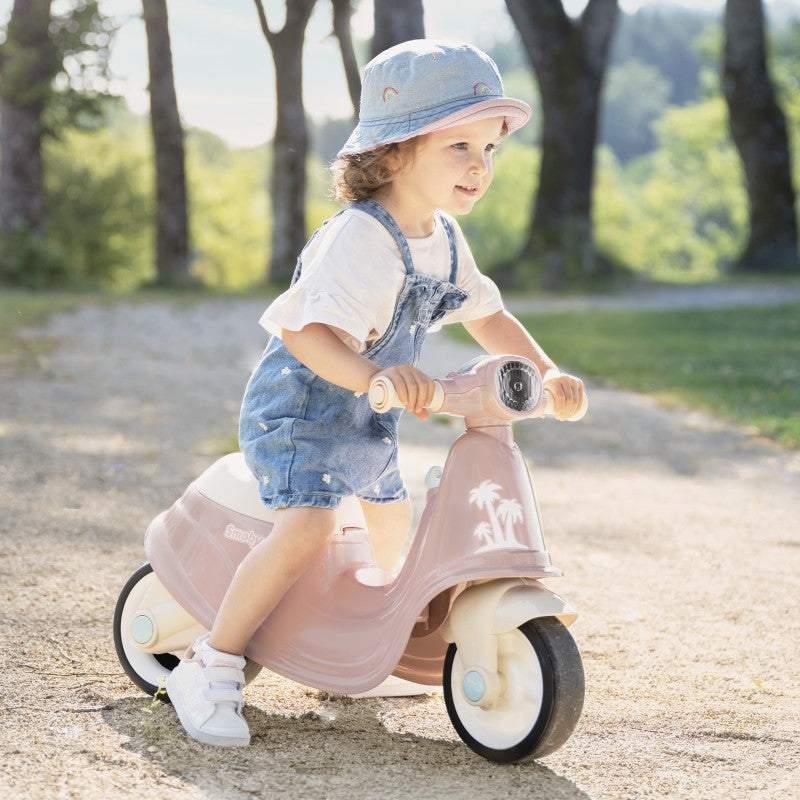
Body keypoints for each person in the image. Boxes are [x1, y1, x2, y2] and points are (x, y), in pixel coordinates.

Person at [166, 39, 585, 747]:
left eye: (490, 148)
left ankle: (354, 645)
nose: (481, 166)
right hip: (301, 414)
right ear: (391, 154)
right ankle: (213, 663)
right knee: (311, 527)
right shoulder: (359, 238)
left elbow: (486, 314)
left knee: (394, 525)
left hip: (368, 414)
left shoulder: (444, 239)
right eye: (459, 145)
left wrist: (544, 372)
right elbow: (304, 334)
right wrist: (377, 377)